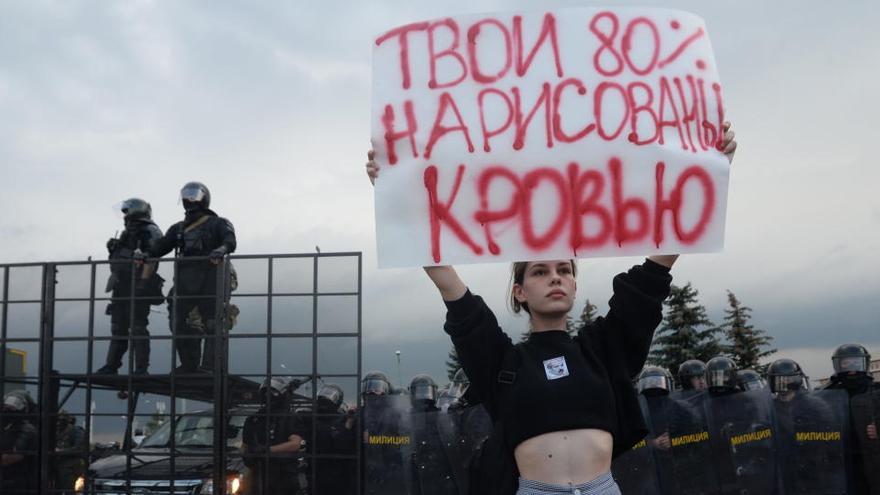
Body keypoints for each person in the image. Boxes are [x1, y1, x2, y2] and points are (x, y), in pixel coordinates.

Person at [365, 124, 736, 494]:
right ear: (520, 291)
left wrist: (711, 171)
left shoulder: (603, 349)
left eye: (563, 270)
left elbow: (651, 279)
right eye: (540, 272)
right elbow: (449, 286)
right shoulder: (503, 363)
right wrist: (393, 192)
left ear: (574, 285)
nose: (554, 278)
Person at [145, 182, 236, 373]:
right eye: (186, 196)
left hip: (211, 277)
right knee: (178, 322)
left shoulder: (218, 223)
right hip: (185, 280)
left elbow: (230, 241)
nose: (189, 199)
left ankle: (211, 366)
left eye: (193, 195)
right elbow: (161, 247)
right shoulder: (178, 228)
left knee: (213, 322)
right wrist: (144, 253)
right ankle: (189, 364)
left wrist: (220, 250)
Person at [98, 198, 163, 375]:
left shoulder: (150, 230)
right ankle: (111, 366)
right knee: (118, 327)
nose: (125, 215)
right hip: (121, 284)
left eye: (127, 211)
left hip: (139, 284)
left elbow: (153, 257)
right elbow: (119, 259)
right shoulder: (128, 232)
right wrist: (113, 248)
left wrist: (143, 284)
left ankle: (141, 368)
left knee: (138, 327)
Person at [769, 358, 847, 494]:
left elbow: (831, 434)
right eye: (779, 380)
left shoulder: (814, 405)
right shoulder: (770, 408)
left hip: (813, 465)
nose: (784, 384)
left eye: (789, 380)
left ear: (797, 380)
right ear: (772, 382)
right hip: (785, 467)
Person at [824, 343, 880, 493]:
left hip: (871, 457)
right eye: (846, 363)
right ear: (838, 365)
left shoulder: (876, 391)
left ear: (864, 363)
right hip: (839, 459)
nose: (851, 369)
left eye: (856, 362)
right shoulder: (826, 395)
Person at [241, 377, 308, 495]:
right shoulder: (253, 419)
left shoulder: (289, 418)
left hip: (283, 475)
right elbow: (245, 445)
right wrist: (247, 456)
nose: (268, 396)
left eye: (272, 393)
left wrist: (268, 450)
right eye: (266, 393)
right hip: (259, 474)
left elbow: (296, 443)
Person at [408, 373, 462, 495]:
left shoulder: (442, 417)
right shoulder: (406, 419)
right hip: (416, 470)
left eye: (427, 392)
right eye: (420, 392)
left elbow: (453, 440)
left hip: (440, 471)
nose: (424, 397)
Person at [360, 370, 408, 495]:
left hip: (389, 468)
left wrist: (374, 440)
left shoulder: (395, 415)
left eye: (377, 388)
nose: (372, 391)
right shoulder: (358, 413)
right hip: (363, 471)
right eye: (369, 387)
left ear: (386, 390)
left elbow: (404, 440)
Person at [314, 383, 357, 494]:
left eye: (330, 395)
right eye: (324, 395)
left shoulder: (344, 420)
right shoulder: (311, 418)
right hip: (317, 473)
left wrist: (348, 423)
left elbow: (345, 446)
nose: (325, 399)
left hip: (338, 475)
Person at [1, 391, 38, 494]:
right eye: (6, 407)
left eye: (12, 408)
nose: (7, 410)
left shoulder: (27, 429)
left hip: (19, 481)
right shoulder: (6, 427)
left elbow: (14, 456)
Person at [54, 410, 87, 494]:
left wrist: (60, 451)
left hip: (70, 466)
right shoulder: (54, 431)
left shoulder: (76, 431)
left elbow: (79, 448)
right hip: (56, 465)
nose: (58, 423)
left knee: (69, 490)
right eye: (57, 420)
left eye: (61, 420)